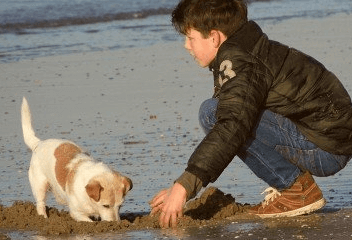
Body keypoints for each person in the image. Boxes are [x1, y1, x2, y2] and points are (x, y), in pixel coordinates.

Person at [150, 0, 352, 228]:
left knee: (212, 113)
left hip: (324, 149)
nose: (187, 46)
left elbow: (232, 125)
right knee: (223, 111)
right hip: (331, 139)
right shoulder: (250, 48)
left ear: (214, 37)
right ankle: (295, 185)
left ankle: (296, 190)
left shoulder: (240, 62)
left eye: (191, 38)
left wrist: (184, 186)